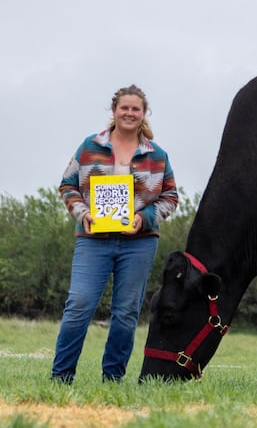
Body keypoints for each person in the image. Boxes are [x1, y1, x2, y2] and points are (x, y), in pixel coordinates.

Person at [51, 85, 179, 383]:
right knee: (79, 305)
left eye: (136, 109)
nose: (130, 113)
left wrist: (144, 218)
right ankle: (61, 377)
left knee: (125, 314)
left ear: (144, 114)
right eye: (125, 108)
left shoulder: (157, 156)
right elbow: (67, 186)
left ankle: (113, 378)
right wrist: (83, 214)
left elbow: (170, 197)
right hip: (93, 241)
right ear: (114, 111)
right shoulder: (89, 146)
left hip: (140, 243)